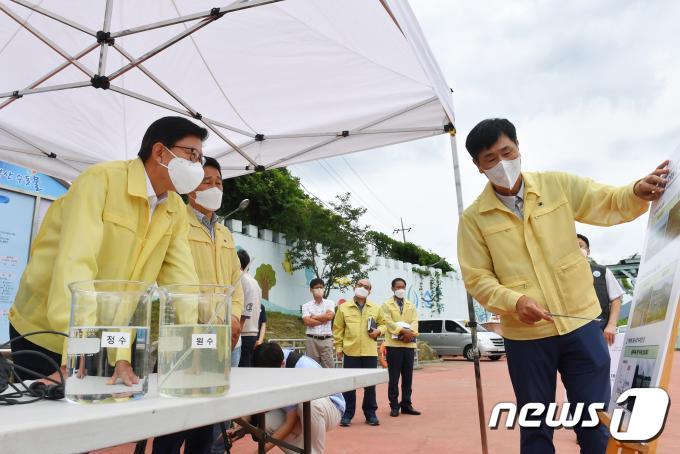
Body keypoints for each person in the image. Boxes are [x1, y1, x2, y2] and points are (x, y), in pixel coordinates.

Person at [457, 118, 667, 454]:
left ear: (518, 148)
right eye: (490, 159)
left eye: (506, 152)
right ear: (477, 166)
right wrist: (514, 300)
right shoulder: (474, 219)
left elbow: (607, 201)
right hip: (526, 339)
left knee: (594, 423)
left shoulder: (557, 185)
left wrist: (635, 192)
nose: (502, 164)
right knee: (536, 426)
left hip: (581, 324)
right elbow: (477, 278)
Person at [8, 116, 207, 385]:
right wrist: (78, 349)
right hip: (43, 330)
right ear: (160, 151)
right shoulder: (100, 180)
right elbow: (75, 266)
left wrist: (192, 346)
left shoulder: (175, 209)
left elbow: (181, 281)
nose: (197, 166)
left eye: (200, 159)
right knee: (43, 416)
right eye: (191, 155)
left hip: (98, 336)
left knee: (96, 416)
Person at [152, 156, 245, 454]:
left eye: (219, 183)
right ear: (191, 188)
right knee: (174, 423)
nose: (215, 188)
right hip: (184, 334)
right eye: (207, 182)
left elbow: (235, 283)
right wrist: (202, 319)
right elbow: (174, 280)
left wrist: (233, 319)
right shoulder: (178, 222)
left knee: (206, 422)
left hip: (217, 339)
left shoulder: (226, 234)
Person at [252, 342, 345, 454]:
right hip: (301, 412)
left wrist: (260, 450)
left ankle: (316, 452)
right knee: (266, 422)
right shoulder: (271, 358)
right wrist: (240, 427)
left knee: (307, 404)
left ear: (282, 364)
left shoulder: (297, 371)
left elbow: (290, 423)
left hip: (331, 407)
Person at [332, 278, 385, 426]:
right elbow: (338, 329)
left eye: (366, 287)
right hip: (350, 351)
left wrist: (379, 331)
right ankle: (347, 414)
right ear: (355, 287)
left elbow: (385, 324)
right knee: (349, 385)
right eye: (360, 285)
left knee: (370, 386)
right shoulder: (344, 308)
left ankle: (370, 414)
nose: (362, 288)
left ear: (370, 291)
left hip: (369, 352)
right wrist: (339, 348)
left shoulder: (375, 308)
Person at [380, 277, 420, 417]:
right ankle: (394, 406)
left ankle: (407, 404)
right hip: (394, 345)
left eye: (403, 286)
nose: (400, 289)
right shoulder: (386, 305)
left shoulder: (411, 305)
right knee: (394, 377)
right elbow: (387, 322)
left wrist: (410, 333)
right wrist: (402, 331)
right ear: (392, 288)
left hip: (409, 345)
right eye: (397, 287)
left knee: (408, 377)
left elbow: (415, 321)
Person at [578, 234, 624, 345]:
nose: (577, 249)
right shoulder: (560, 274)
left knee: (597, 361)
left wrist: (611, 325)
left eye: (581, 246)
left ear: (588, 251)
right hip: (571, 330)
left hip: (598, 328)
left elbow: (616, 299)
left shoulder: (603, 272)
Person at [301, 278, 335, 368]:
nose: (319, 289)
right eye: (316, 287)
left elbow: (330, 316)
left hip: (326, 339)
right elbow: (307, 321)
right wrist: (323, 319)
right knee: (311, 366)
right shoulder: (306, 305)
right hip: (311, 339)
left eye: (321, 287)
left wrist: (313, 317)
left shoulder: (330, 303)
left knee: (329, 367)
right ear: (311, 290)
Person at [238, 249, 262, 367]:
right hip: (252, 332)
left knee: (240, 369)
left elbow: (245, 310)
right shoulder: (254, 282)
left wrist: (236, 332)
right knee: (246, 367)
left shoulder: (242, 279)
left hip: (242, 332)